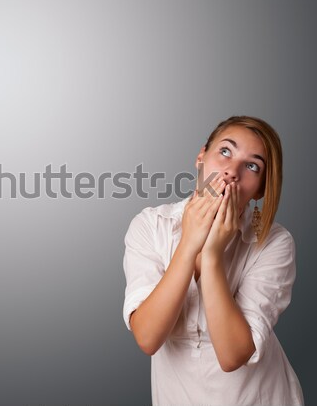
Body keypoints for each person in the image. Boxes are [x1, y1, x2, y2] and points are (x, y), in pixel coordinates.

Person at [122, 116, 304, 406]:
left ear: (260, 189)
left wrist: (212, 256)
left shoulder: (275, 242)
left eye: (252, 166)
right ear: (201, 157)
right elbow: (148, 338)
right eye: (225, 152)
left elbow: (232, 356)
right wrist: (189, 243)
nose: (232, 172)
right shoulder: (150, 226)